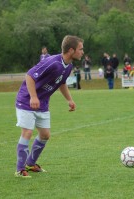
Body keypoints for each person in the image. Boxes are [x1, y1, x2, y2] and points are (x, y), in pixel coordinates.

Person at [14, 35, 84, 178]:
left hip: (43, 103)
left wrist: (69, 100)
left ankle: (30, 164)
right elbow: (29, 76)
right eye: (80, 49)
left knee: (45, 135)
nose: (83, 52)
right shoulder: (53, 62)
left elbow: (62, 82)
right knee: (27, 132)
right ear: (71, 50)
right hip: (27, 100)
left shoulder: (68, 65)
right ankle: (20, 169)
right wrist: (33, 96)